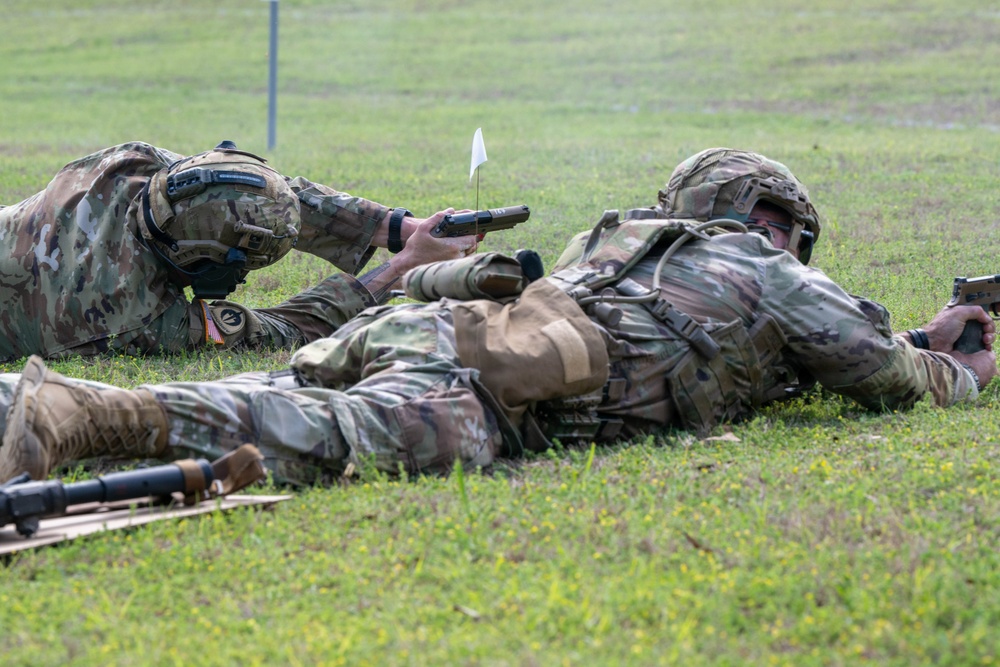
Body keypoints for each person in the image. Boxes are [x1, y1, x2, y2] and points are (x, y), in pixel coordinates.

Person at [0, 147, 995, 485]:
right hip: (496, 380)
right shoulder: (764, 270)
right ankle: (76, 416)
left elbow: (775, 347)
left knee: (271, 389)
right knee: (318, 432)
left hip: (442, 328)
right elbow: (886, 379)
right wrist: (965, 365)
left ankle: (36, 402)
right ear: (772, 220)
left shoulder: (613, 242)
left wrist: (917, 330)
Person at [0, 140, 476, 362]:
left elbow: (254, 190)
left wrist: (398, 228)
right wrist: (404, 265)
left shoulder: (128, 165)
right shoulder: (133, 318)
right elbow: (288, 328)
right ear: (209, 267)